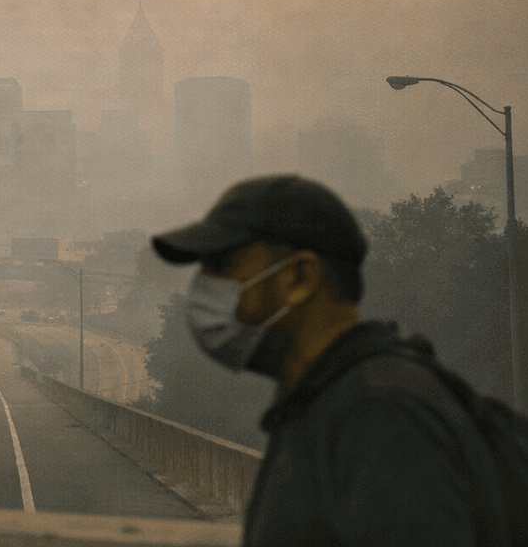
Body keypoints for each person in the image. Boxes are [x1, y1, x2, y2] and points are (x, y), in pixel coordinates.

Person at [152, 174, 506, 546]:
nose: (201, 287)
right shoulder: (323, 399)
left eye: (222, 265)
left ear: (300, 276)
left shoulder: (380, 412)